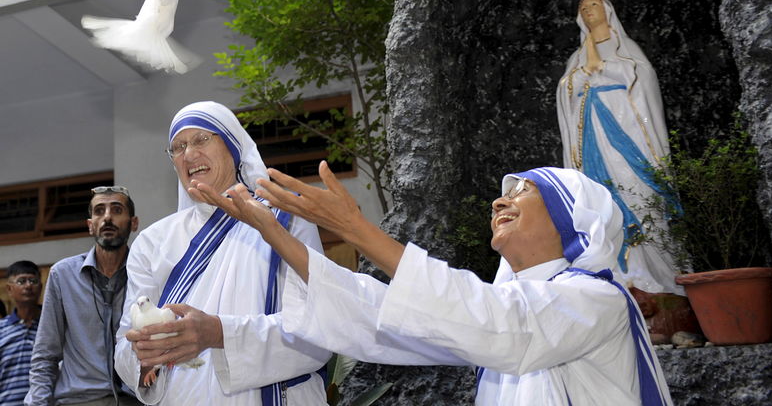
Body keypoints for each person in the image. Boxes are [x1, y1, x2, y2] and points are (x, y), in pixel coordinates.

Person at [192, 162, 674, 405]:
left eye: (522, 193)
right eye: (499, 196)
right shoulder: (507, 307)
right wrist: (272, 231)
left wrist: (356, 228)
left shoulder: (597, 300)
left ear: (574, 218)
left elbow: (500, 323)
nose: (498, 203)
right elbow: (379, 317)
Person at [114, 101, 329, 406]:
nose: (189, 154)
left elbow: (316, 332)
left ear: (232, 147)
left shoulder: (284, 218)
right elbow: (125, 345)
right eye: (178, 147)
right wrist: (144, 358)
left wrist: (218, 333)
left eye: (202, 139)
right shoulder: (152, 242)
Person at [556, 0, 682, 295]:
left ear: (607, 11)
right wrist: (582, 72)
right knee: (602, 199)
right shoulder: (577, 57)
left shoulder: (625, 48)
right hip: (591, 138)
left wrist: (602, 68)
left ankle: (655, 273)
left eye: (593, 6)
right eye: (583, 8)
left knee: (637, 190)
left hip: (627, 133)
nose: (588, 12)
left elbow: (643, 79)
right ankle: (618, 274)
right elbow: (566, 90)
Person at [26, 185, 141, 406]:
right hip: (79, 400)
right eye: (99, 211)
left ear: (133, 223)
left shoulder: (146, 272)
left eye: (117, 210)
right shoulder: (63, 274)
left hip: (136, 400)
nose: (107, 217)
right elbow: (45, 355)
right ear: (90, 225)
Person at [0, 261, 42, 406]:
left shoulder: (53, 324)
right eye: (21, 281)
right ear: (9, 289)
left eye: (33, 281)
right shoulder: (1, 329)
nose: (28, 286)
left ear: (41, 287)